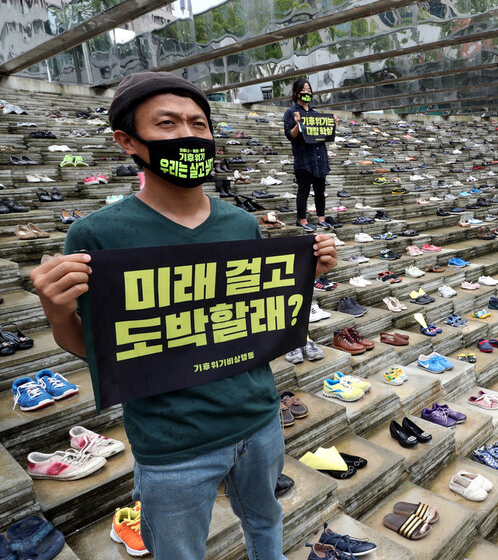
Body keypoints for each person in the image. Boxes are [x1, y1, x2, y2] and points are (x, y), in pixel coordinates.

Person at [29, 71, 338, 560]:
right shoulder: (96, 236)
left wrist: (306, 273)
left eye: (199, 123)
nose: (188, 135)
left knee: (266, 522)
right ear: (127, 141)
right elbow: (96, 347)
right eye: (167, 124)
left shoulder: (240, 222)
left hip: (259, 419)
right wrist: (56, 310)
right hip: (173, 443)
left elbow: (254, 315)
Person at [283, 79, 333, 232]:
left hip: (319, 157)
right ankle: (302, 219)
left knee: (320, 190)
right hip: (303, 157)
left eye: (309, 90)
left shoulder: (315, 114)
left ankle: (321, 218)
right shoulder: (291, 112)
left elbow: (325, 135)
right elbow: (290, 135)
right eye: (304, 90)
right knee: (303, 190)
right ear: (296, 93)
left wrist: (333, 124)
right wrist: (297, 123)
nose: (307, 93)